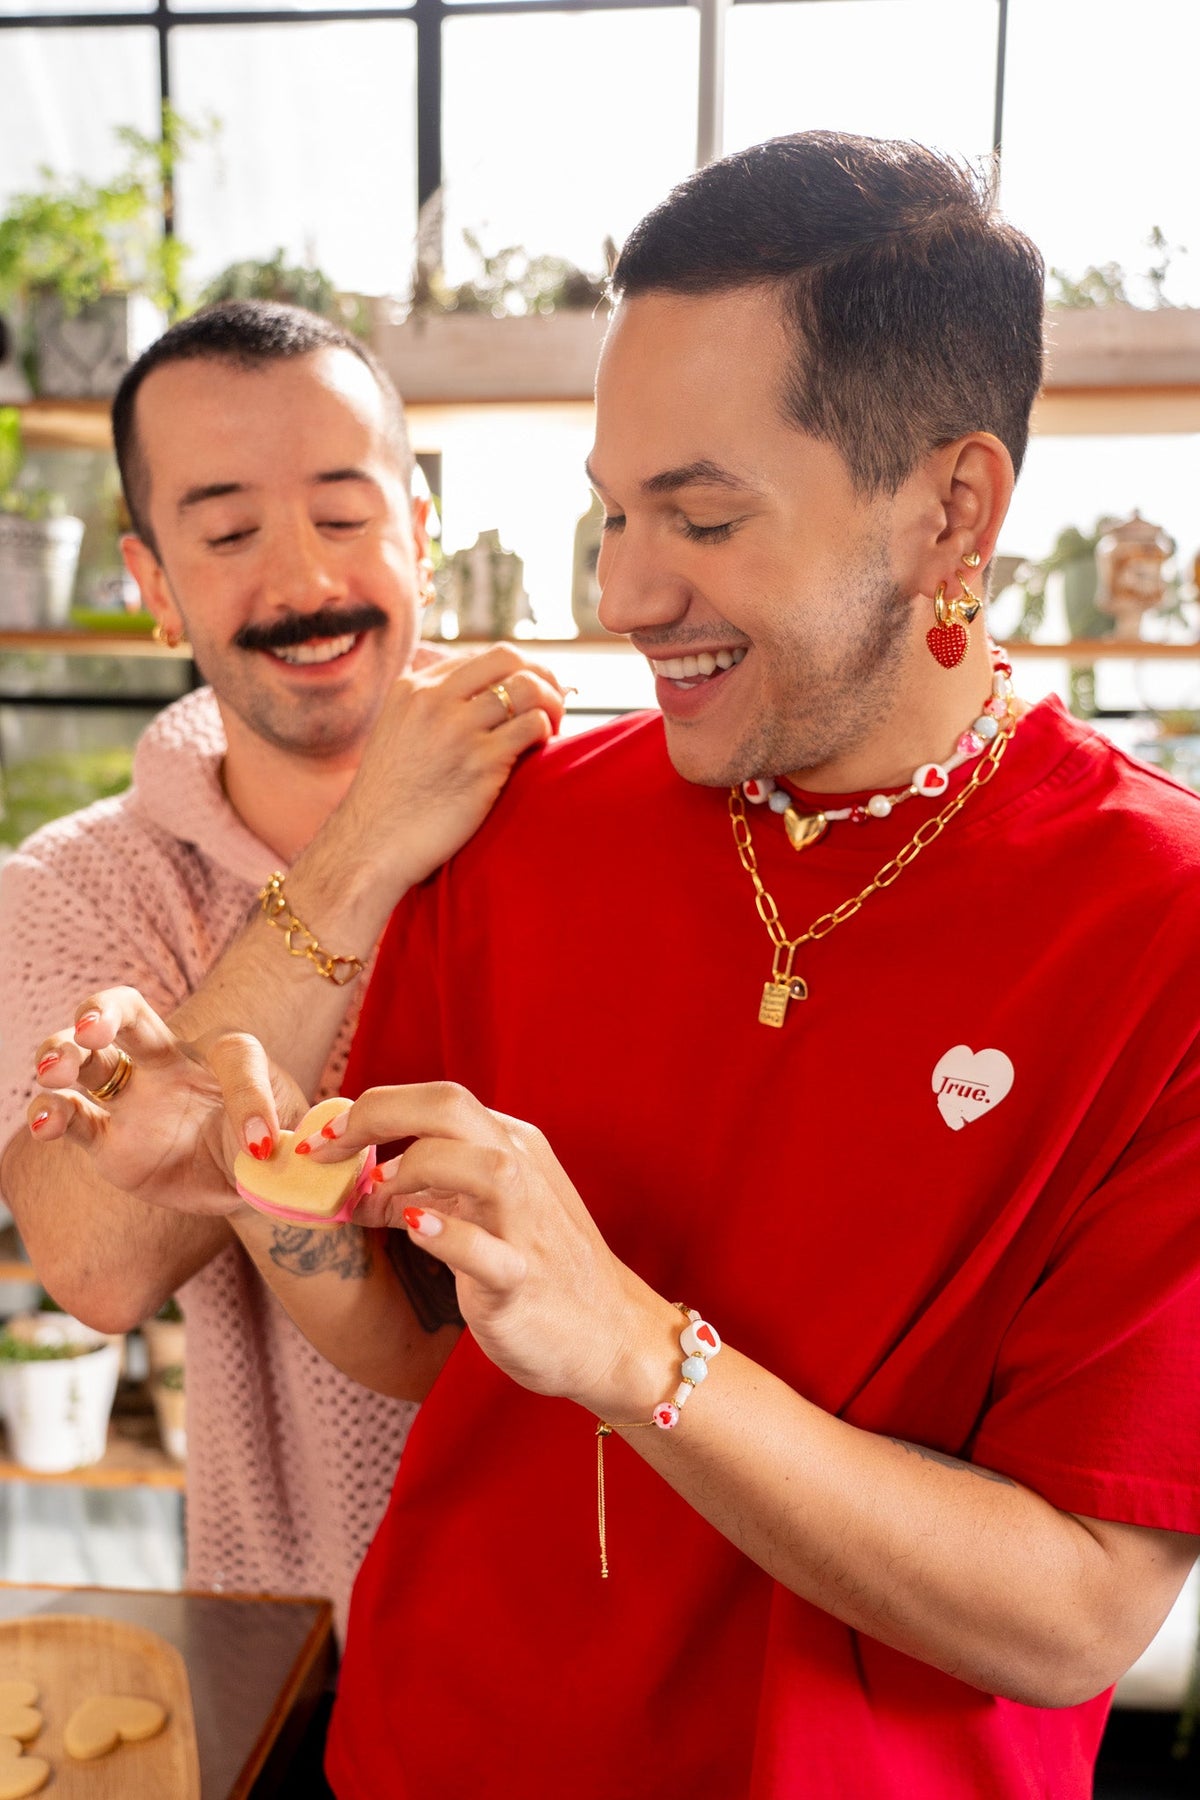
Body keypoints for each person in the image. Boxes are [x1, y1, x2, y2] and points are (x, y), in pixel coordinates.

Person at [25, 135, 1200, 1799]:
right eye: (615, 513)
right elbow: (439, 1350)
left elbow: (1080, 1612)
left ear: (956, 509)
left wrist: (647, 1351)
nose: (628, 593)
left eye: (705, 518)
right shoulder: (516, 826)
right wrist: (269, 1186)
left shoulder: (1164, 933)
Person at [0, 299, 564, 1644]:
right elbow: (93, 1260)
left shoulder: (582, 813)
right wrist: (363, 851)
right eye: (230, 530)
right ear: (150, 581)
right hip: (306, 1641)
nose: (304, 578)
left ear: (419, 531)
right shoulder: (73, 887)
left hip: (617, 1640)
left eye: (343, 511)